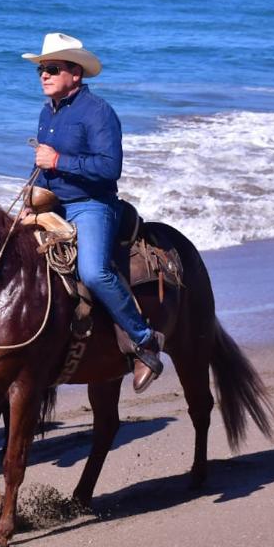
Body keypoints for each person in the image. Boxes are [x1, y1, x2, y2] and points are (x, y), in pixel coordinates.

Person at [22, 32, 164, 393]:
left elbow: (110, 168)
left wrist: (58, 160)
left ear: (76, 73)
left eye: (52, 68)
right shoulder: (47, 112)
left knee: (94, 272)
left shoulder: (98, 111)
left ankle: (144, 339)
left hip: (91, 205)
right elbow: (44, 166)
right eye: (41, 69)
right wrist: (30, 198)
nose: (44, 74)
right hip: (51, 203)